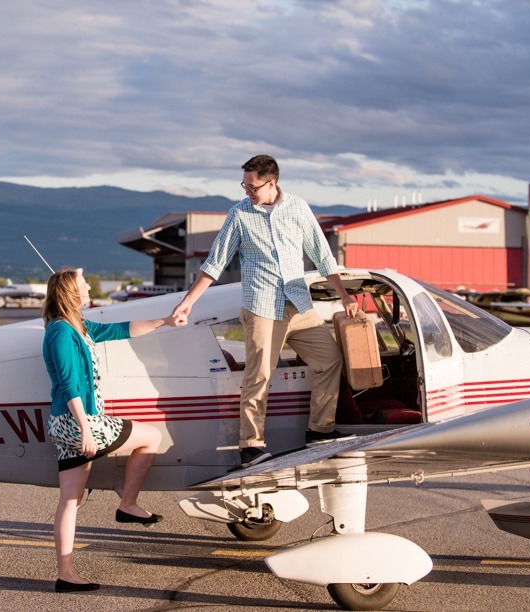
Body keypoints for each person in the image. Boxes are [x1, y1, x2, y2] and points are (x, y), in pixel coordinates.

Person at [171, 155, 358, 468]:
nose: (247, 191)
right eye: (244, 185)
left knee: (330, 360)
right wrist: (188, 302)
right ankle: (251, 447)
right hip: (261, 307)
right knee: (259, 376)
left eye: (252, 186)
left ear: (271, 183)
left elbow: (324, 257)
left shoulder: (298, 208)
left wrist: (345, 296)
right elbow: (215, 263)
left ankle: (319, 431)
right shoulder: (239, 214)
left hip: (299, 304)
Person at [42, 268, 185, 593]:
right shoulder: (62, 332)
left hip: (67, 424)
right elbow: (69, 383)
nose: (89, 286)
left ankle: (65, 574)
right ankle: (128, 505)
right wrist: (86, 428)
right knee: (151, 437)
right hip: (77, 421)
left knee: (70, 500)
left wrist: (164, 321)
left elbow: (120, 330)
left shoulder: (79, 327)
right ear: (71, 293)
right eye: (83, 284)